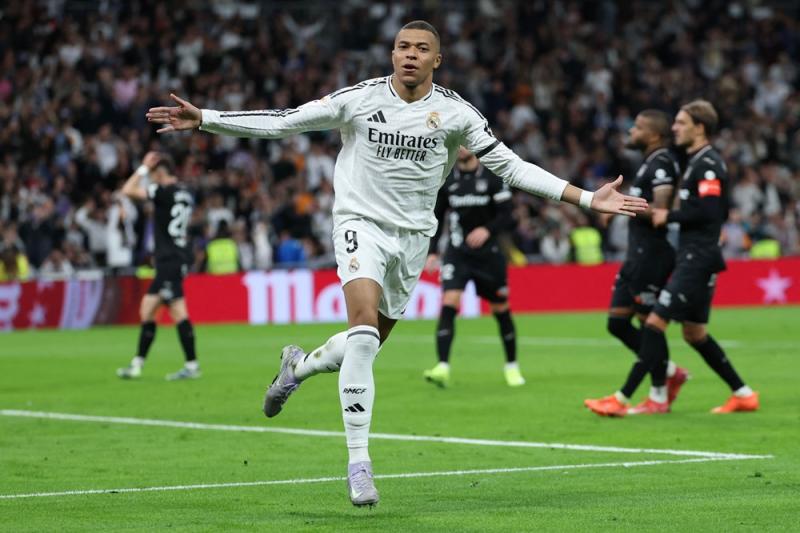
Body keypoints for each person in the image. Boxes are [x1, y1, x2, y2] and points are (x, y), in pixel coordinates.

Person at [146, 20, 646, 506]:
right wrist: (207, 118)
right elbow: (284, 120)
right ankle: (359, 465)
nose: (410, 54)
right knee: (363, 333)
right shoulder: (359, 99)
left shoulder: (456, 113)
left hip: (413, 239)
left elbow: (510, 168)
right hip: (359, 224)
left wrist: (586, 198)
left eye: (421, 48)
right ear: (392, 54)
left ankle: (297, 367)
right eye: (403, 46)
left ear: (436, 59)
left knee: (364, 347)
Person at [640, 100, 759, 414]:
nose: (674, 128)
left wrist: (669, 215)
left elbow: (709, 211)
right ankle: (744, 394)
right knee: (694, 333)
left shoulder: (707, 164)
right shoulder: (695, 161)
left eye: (681, 123)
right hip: (695, 255)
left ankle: (649, 398)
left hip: (698, 257)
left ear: (700, 127)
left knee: (653, 324)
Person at [584, 110, 688, 417]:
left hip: (653, 256)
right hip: (637, 255)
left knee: (649, 326)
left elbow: (660, 211)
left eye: (638, 127)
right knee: (617, 323)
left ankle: (656, 396)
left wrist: (621, 204)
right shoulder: (647, 163)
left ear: (653, 135)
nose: (631, 130)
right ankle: (669, 371)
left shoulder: (662, 163)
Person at [423, 146, 523, 388]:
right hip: (457, 253)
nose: (460, 148)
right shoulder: (448, 180)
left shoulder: (493, 178)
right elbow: (437, 217)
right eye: (457, 144)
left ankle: (511, 366)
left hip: (489, 256)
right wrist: (432, 252)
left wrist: (487, 229)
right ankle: (442, 366)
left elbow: (509, 217)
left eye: (464, 143)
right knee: (449, 302)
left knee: (500, 308)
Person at [116, 151, 200, 381]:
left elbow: (127, 190)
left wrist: (143, 167)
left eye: (152, 175)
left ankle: (190, 365)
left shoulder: (163, 191)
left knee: (173, 311)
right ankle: (138, 364)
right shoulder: (185, 192)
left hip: (169, 260)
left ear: (160, 173)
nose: (150, 179)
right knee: (151, 310)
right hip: (176, 258)